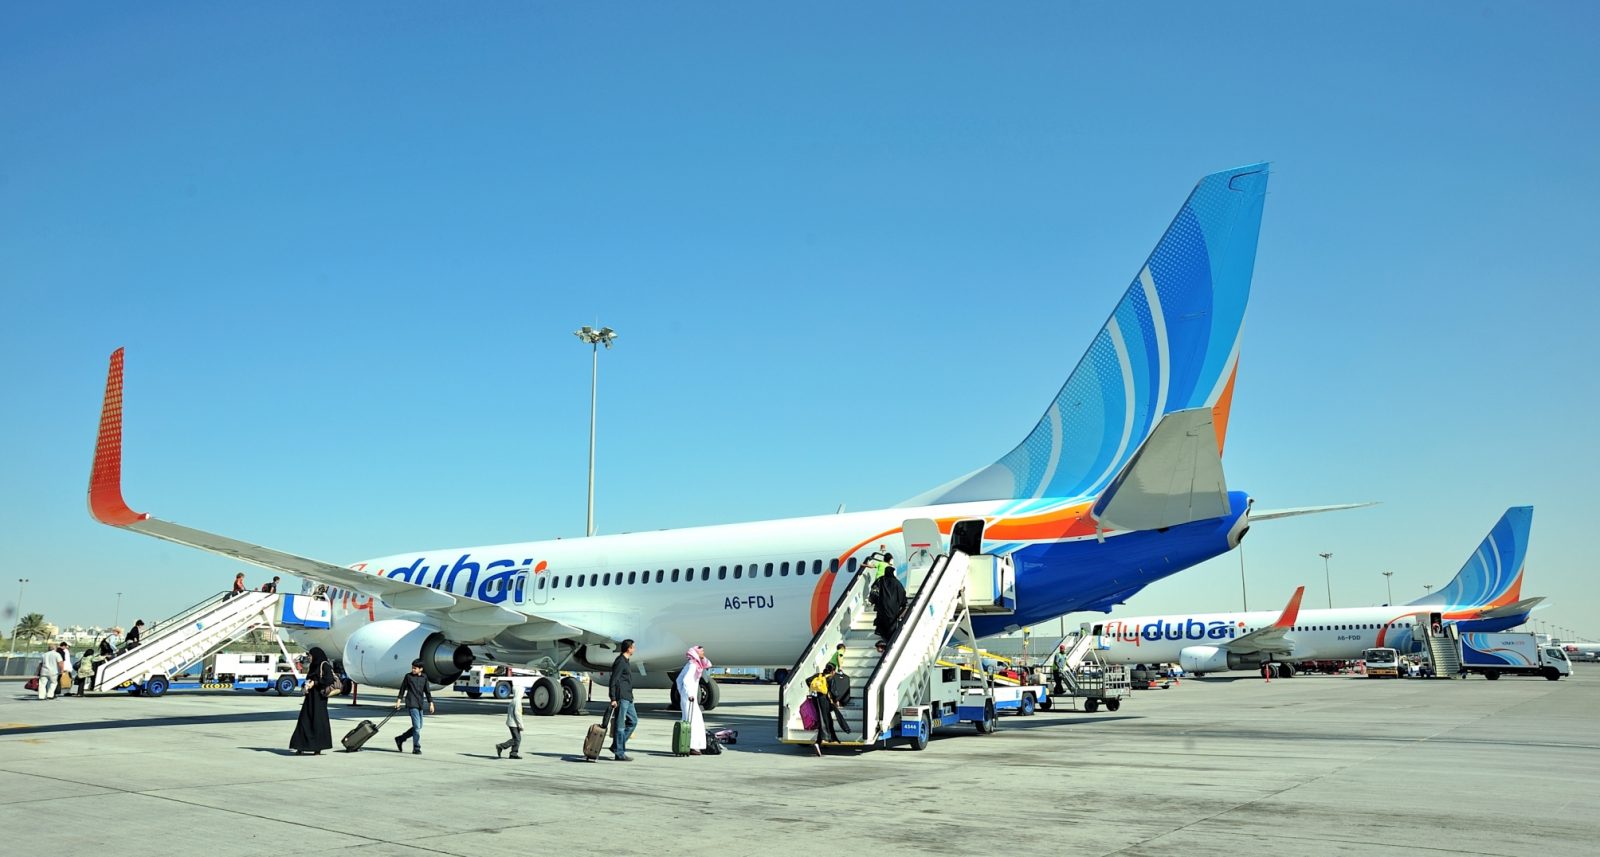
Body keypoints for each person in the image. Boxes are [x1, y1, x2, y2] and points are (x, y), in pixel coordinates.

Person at [290, 647, 339, 755]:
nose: (309, 657)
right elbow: (308, 679)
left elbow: (329, 679)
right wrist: (305, 686)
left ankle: (318, 747)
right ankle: (300, 746)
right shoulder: (313, 666)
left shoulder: (324, 665)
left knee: (318, 722)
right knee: (304, 720)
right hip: (309, 698)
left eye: (310, 655)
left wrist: (315, 683)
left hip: (319, 699)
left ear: (316, 655)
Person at [392, 659, 435, 754]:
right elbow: (402, 689)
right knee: (417, 727)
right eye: (412, 668)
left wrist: (431, 703)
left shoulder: (424, 677)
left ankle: (400, 738)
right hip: (411, 703)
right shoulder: (408, 677)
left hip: (420, 704)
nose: (413, 670)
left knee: (419, 727)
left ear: (421, 669)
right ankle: (416, 748)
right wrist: (398, 701)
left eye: (415, 668)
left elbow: (427, 691)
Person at [676, 645, 712, 756]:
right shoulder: (692, 665)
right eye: (701, 652)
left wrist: (682, 691)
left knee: (691, 719)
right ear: (696, 653)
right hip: (689, 698)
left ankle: (690, 745)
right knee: (693, 721)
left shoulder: (694, 664)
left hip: (688, 697)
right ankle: (692, 746)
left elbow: (679, 680)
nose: (703, 653)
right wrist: (688, 694)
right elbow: (686, 680)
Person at [608, 640, 638, 761]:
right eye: (633, 647)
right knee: (620, 726)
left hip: (628, 697)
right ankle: (619, 753)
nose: (635, 649)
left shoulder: (626, 661)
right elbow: (613, 680)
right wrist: (613, 698)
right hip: (621, 697)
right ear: (629, 649)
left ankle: (617, 746)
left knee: (633, 721)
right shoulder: (620, 662)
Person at [869, 565, 908, 643]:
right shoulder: (897, 583)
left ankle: (885, 640)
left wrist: (873, 601)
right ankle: (890, 641)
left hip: (882, 608)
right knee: (891, 626)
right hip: (893, 610)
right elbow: (902, 594)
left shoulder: (880, 580)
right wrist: (903, 604)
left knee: (882, 625)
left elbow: (874, 592)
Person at [495, 681, 525, 759]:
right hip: (514, 723)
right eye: (522, 692)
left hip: (511, 723)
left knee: (517, 739)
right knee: (516, 739)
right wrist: (521, 725)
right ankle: (501, 746)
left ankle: (513, 753)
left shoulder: (514, 700)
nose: (523, 694)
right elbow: (518, 714)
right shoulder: (517, 701)